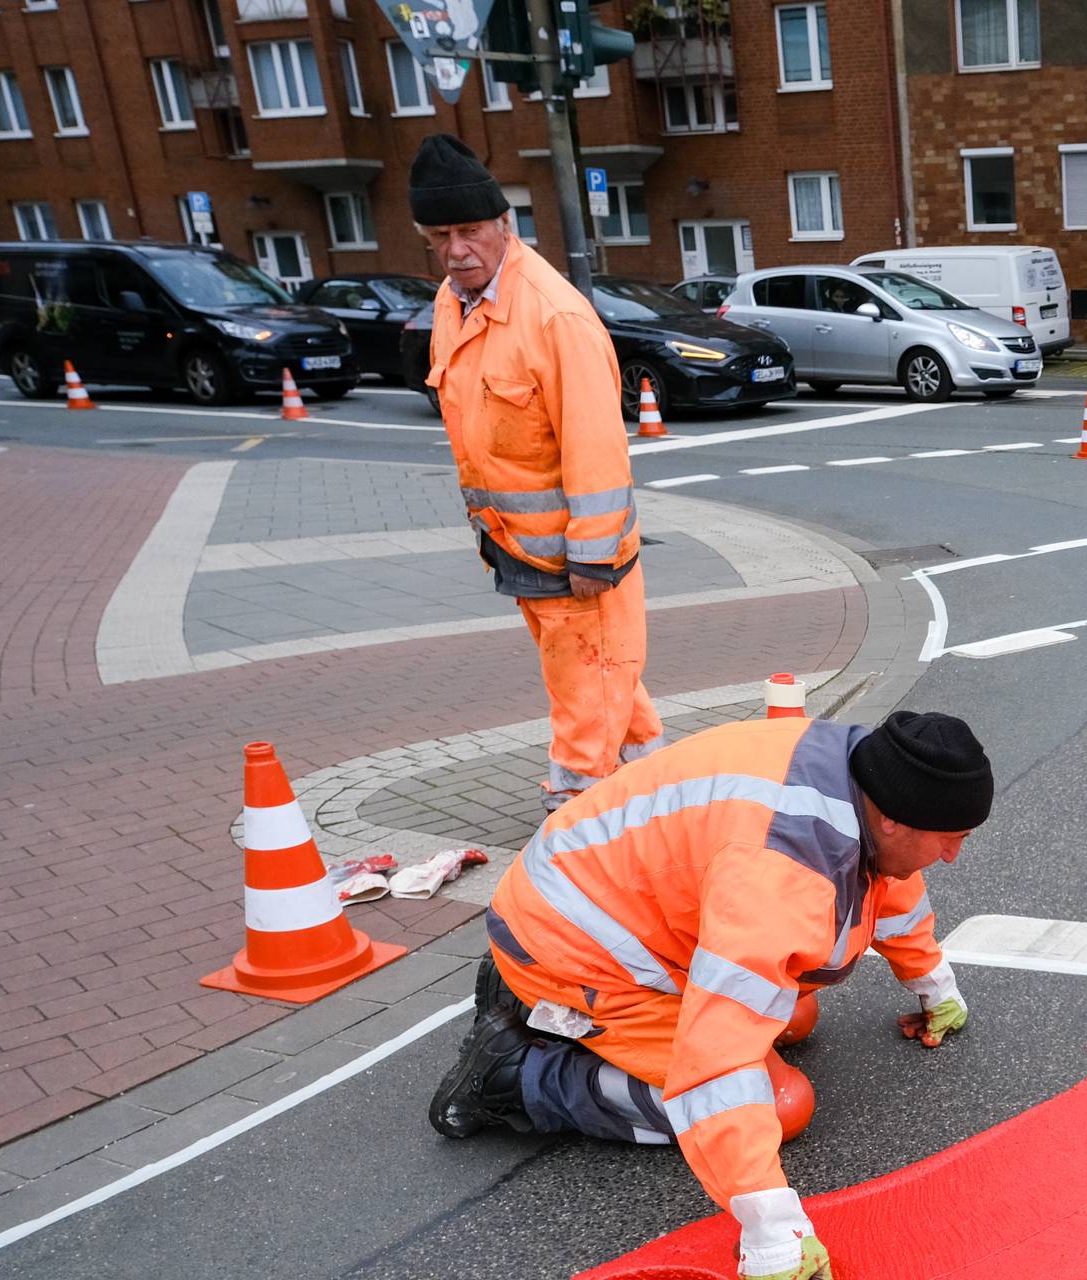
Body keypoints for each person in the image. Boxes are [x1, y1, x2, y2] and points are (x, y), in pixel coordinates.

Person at [429, 710, 990, 1280]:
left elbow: (890, 885)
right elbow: (715, 1060)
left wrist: (932, 985)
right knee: (779, 1104)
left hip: (594, 896)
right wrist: (774, 1236)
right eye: (950, 840)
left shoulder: (864, 777)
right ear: (895, 819)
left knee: (794, 1016)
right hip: (576, 945)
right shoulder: (783, 873)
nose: (952, 857)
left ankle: (547, 1002)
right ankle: (518, 1075)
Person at [412, 133, 663, 814]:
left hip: (576, 557)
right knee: (605, 679)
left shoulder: (553, 315)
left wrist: (593, 553)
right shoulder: (453, 302)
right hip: (518, 542)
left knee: (584, 685)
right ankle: (654, 792)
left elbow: (596, 446)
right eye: (440, 235)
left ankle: (575, 819)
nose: (456, 248)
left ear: (504, 225)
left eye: (469, 231)